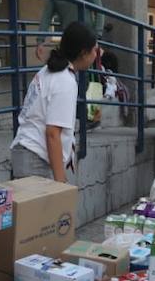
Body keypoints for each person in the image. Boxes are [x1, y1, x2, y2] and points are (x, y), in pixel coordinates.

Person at [11, 22, 100, 183]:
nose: (97, 54)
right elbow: (52, 133)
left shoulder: (48, 71)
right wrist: (60, 182)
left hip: (27, 154)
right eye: (94, 49)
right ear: (83, 53)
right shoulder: (64, 81)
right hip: (36, 160)